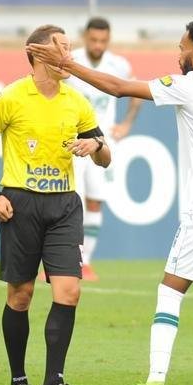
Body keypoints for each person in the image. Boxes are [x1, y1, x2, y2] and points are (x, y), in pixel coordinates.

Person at [27, 18, 193, 385]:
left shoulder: (189, 87)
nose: (178, 53)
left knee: (170, 291)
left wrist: (66, 65)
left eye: (181, 47)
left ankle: (154, 383)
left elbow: (120, 88)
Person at [0, 24, 111, 385]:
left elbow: (106, 157)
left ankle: (54, 383)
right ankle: (19, 384)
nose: (69, 56)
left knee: (69, 290)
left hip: (64, 205)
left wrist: (95, 144)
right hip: (20, 205)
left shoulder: (77, 101)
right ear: (37, 53)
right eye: (61, 48)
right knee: (21, 295)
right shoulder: (10, 97)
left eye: (70, 48)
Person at [67, 17, 142, 281]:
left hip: (101, 144)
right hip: (72, 143)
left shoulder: (118, 65)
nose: (97, 45)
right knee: (69, 202)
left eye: (102, 40)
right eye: (93, 40)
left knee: (95, 201)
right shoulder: (70, 61)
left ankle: (85, 262)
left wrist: (126, 124)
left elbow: (136, 92)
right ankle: (64, 260)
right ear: (85, 37)